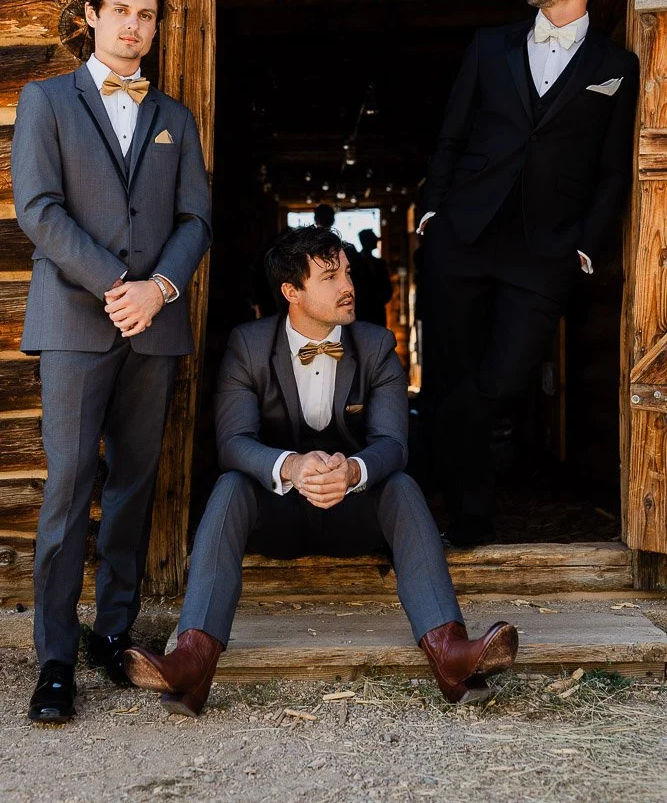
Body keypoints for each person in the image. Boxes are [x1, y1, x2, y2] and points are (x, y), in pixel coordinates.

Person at [123, 226, 518, 715]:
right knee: (229, 487)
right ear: (291, 292)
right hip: (278, 515)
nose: (347, 285)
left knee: (402, 486)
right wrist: (291, 466)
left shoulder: (376, 346)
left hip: (354, 516)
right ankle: (193, 660)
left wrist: (351, 471)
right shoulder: (248, 345)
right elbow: (232, 443)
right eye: (330, 276)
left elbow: (394, 444)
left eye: (347, 272)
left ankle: (451, 654)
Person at [11, 0, 212, 722]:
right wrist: (113, 286)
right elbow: (38, 208)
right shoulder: (45, 101)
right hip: (74, 322)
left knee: (133, 484)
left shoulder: (176, 118)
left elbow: (195, 220)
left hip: (153, 326)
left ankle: (115, 632)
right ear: (91, 16)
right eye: (121, 10)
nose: (135, 26)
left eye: (148, 14)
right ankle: (55, 660)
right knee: (68, 486)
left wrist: (158, 289)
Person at [419, 0, 639, 546]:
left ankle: (437, 465)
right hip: (462, 236)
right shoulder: (491, 46)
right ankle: (468, 515)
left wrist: (586, 247)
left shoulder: (615, 67)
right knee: (451, 373)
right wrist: (433, 212)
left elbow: (613, 169)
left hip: (544, 252)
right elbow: (453, 134)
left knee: (504, 379)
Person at [354, 228, 393, 326]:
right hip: (361, 312)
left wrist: (381, 299)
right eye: (373, 238)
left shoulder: (380, 263)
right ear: (366, 241)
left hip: (377, 313)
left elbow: (387, 287)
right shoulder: (355, 262)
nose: (376, 240)